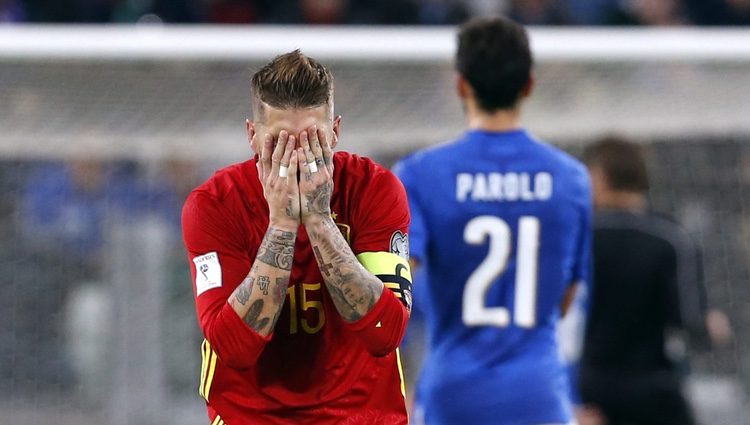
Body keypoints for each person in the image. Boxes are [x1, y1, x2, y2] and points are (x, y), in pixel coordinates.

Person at [181, 50, 413, 425]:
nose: (297, 158)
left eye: (312, 140)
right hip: (252, 417)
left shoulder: (374, 190)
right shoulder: (214, 205)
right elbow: (234, 348)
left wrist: (320, 220)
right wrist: (283, 225)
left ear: (335, 132)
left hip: (362, 415)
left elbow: (385, 333)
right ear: (252, 136)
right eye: (280, 143)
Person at [394, 16, 592, 425]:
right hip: (538, 393)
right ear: (528, 86)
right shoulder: (570, 179)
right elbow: (567, 297)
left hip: (453, 392)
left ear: (461, 86)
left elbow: (398, 286)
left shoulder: (420, 174)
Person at [578, 136, 730, 425]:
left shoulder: (578, 239)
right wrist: (713, 327)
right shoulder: (669, 238)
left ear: (599, 177)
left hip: (591, 390)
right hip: (653, 390)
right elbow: (690, 320)